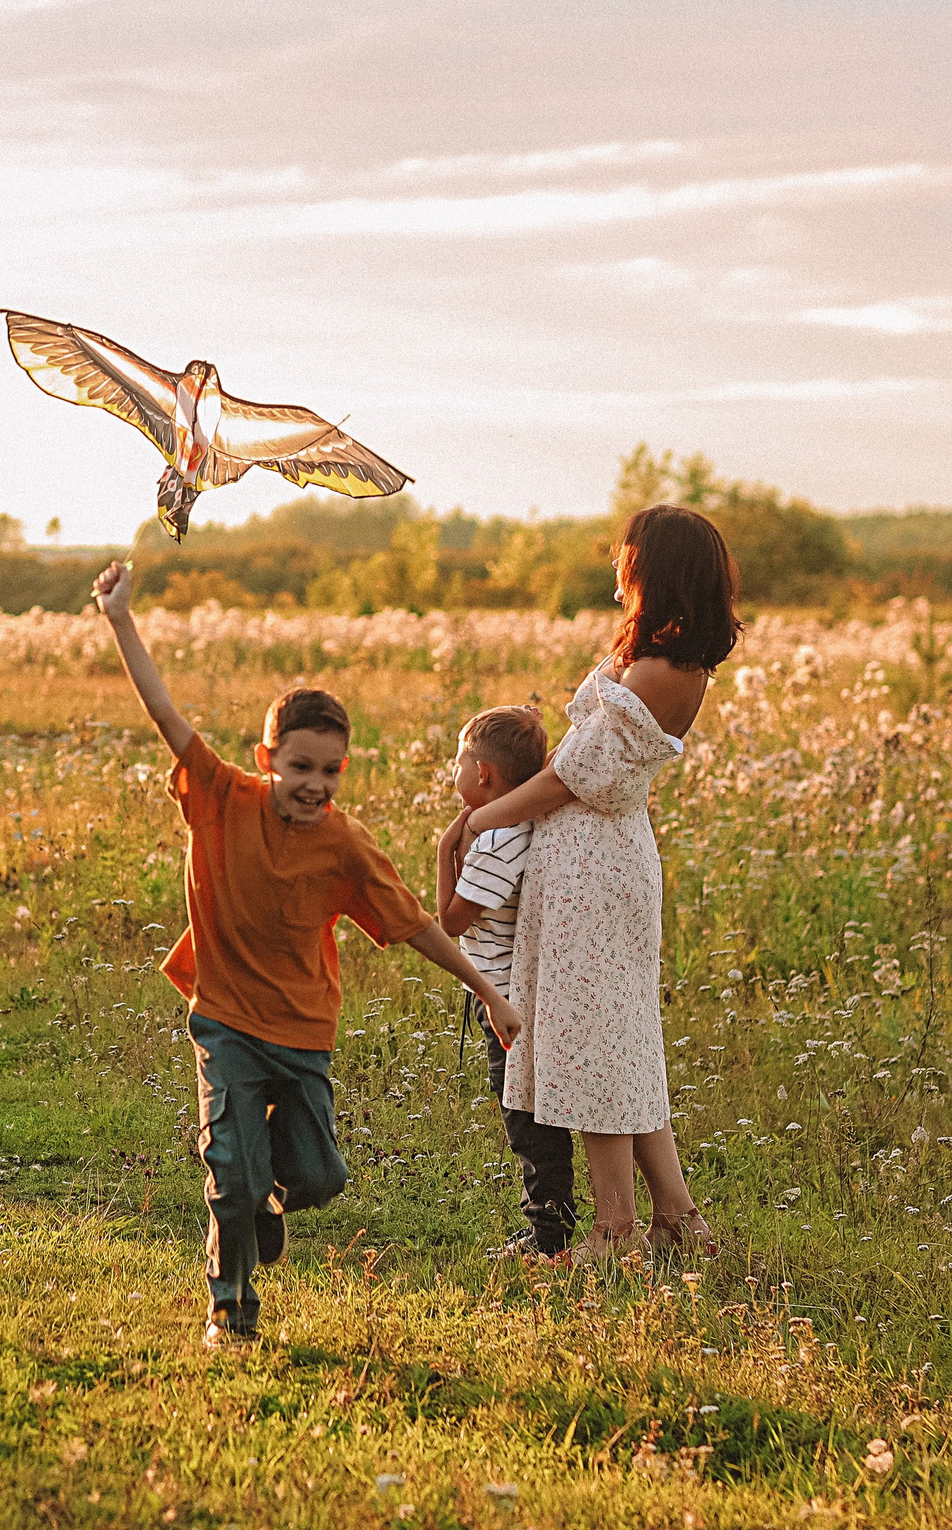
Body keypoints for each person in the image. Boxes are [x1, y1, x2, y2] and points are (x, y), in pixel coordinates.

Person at [93, 559, 519, 1345]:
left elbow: (416, 924)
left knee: (319, 1176)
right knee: (231, 1167)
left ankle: (268, 1201)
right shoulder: (221, 797)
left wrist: (489, 992)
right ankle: (231, 1312)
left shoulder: (345, 845)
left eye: (328, 770)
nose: (314, 784)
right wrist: (121, 617)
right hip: (225, 1018)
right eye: (298, 767)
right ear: (267, 760)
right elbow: (163, 712)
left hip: (302, 1032)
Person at [460, 503, 740, 1265]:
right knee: (620, 1037)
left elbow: (569, 777)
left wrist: (480, 819)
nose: (618, 577)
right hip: (592, 865)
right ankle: (676, 1215)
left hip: (596, 872)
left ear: (658, 573)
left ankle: (616, 1229)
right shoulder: (666, 660)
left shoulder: (660, 671)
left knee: (594, 1043)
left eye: (628, 564)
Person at [432, 704, 577, 1258]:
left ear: (483, 772)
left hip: (504, 998)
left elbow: (450, 921)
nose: (455, 770)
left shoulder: (495, 840)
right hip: (521, 989)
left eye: (459, 761)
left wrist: (444, 852)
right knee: (530, 1110)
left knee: (524, 1117)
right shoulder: (523, 823)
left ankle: (549, 1233)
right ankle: (550, 1224)